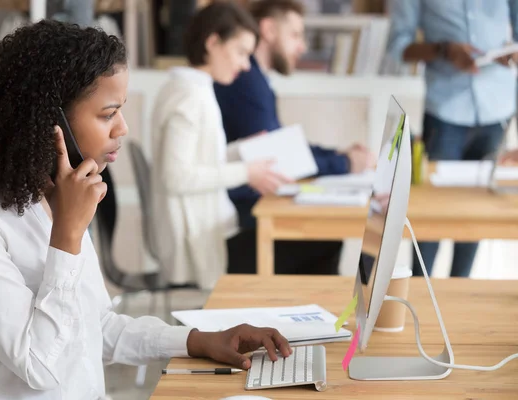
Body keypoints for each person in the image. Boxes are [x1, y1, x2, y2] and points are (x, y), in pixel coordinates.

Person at [0, 20, 292, 399]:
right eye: (107, 113)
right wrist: (66, 235)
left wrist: (199, 341)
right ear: (51, 121)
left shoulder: (51, 196)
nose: (123, 129)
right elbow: (39, 363)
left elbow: (97, 328)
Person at [214, 0, 374, 276]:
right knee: (327, 235)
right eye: (295, 35)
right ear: (269, 29)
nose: (302, 47)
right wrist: (345, 162)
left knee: (331, 232)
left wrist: (340, 156)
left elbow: (285, 146)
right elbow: (281, 159)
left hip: (244, 209)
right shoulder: (247, 82)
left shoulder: (255, 81)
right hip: (240, 221)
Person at [151, 2, 291, 290]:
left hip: (207, 228)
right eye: (240, 52)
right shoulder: (188, 95)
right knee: (308, 246)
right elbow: (176, 176)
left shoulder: (194, 88)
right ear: (213, 42)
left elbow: (199, 160)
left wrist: (240, 150)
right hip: (197, 240)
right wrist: (246, 171)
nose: (245, 65)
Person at [387, 0, 518, 278]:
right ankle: (421, 292)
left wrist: (510, 52)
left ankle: (462, 288)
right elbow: (400, 46)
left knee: (476, 213)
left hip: (498, 109)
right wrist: (443, 50)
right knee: (430, 212)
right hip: (446, 111)